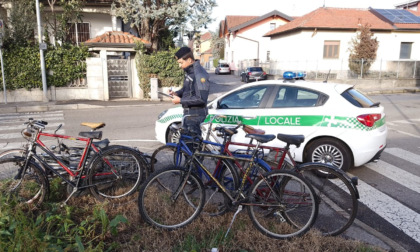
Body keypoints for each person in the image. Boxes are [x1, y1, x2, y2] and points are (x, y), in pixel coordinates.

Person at [169, 46, 210, 137]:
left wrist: (180, 101)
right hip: (189, 114)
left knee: (191, 146)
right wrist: (176, 93)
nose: (180, 66)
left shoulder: (199, 74)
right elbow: (186, 89)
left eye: (181, 63)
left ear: (189, 60)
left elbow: (201, 98)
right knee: (186, 146)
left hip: (196, 115)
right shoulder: (190, 72)